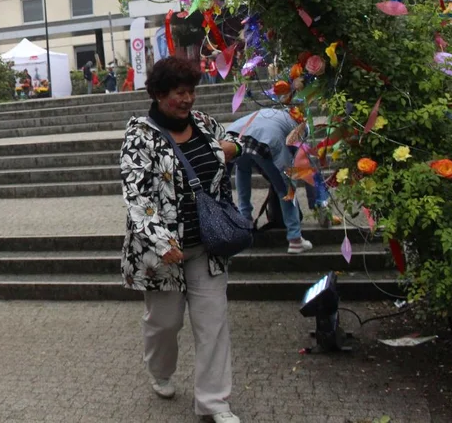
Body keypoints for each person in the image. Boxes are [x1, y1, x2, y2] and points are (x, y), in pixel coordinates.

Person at [120, 56, 242, 423]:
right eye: (178, 93)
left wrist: (231, 148)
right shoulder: (139, 135)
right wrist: (161, 242)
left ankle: (214, 402)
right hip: (163, 254)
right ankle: (160, 372)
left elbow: (233, 139)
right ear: (158, 95)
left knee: (213, 325)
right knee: (164, 324)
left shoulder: (203, 123)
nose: (187, 99)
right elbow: (136, 196)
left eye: (191, 91)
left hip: (208, 246)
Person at [227, 108, 312, 254]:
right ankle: (295, 239)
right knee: (285, 188)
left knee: (243, 169)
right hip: (267, 141)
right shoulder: (300, 128)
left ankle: (245, 224)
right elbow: (292, 161)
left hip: (235, 134)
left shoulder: (273, 113)